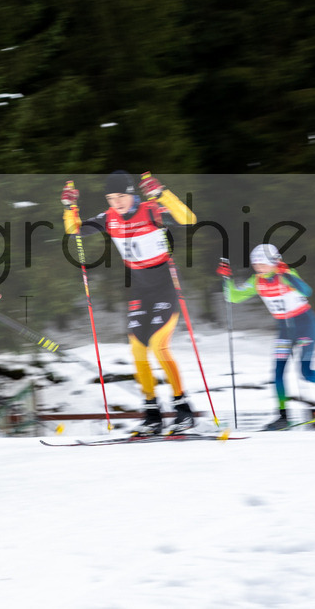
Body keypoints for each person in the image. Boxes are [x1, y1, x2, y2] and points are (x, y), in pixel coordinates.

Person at [61, 171, 198, 435]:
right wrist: (70, 207)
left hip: (164, 288)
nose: (117, 202)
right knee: (137, 351)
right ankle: (152, 415)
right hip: (138, 291)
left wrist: (162, 194)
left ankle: (183, 410)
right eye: (111, 198)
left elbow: (188, 219)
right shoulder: (108, 217)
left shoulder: (151, 210)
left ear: (132, 193)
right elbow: (74, 231)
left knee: (159, 346)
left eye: (121, 196)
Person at [218, 244, 315, 431]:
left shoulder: (287, 273)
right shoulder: (256, 281)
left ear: (274, 263)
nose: (259, 268)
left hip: (305, 325)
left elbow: (307, 292)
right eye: (256, 265)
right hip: (285, 330)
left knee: (306, 372)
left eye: (263, 264)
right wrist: (227, 279)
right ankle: (282, 416)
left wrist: (287, 275)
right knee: (277, 373)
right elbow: (233, 297)